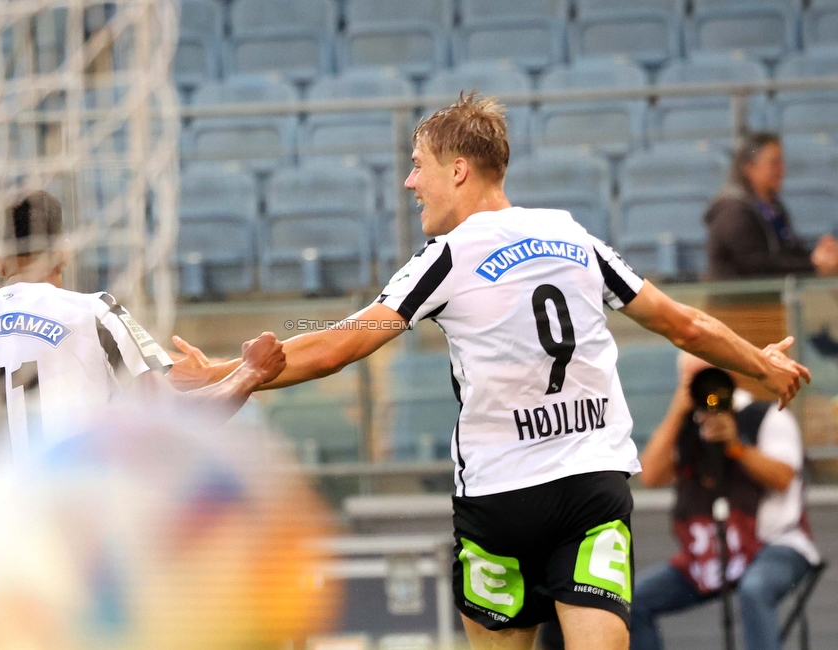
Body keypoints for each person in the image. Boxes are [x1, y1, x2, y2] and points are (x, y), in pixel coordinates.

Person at [181, 93, 811, 650]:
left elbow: (340, 345)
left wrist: (223, 371)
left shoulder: (447, 257)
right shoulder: (573, 237)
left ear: (457, 170)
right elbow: (685, 326)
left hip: (501, 498)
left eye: (417, 165)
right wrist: (763, 362)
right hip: (591, 481)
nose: (409, 182)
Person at [0, 190, 287, 605]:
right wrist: (250, 373)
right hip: (79, 548)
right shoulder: (93, 312)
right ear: (64, 251)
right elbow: (170, 421)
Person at [631, 354, 820, 650]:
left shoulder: (766, 414)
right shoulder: (685, 425)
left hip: (775, 543)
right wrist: (677, 412)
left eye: (707, 375)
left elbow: (783, 478)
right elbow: (651, 475)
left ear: (727, 374)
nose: (702, 386)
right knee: (634, 600)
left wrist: (737, 447)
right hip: (710, 551)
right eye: (691, 379)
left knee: (755, 589)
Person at [705, 131, 838, 280]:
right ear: (750, 168)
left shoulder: (774, 208)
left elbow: (789, 252)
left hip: (770, 301)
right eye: (774, 163)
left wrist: (820, 255)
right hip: (735, 302)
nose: (782, 170)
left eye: (781, 163)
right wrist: (813, 264)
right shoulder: (732, 212)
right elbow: (757, 265)